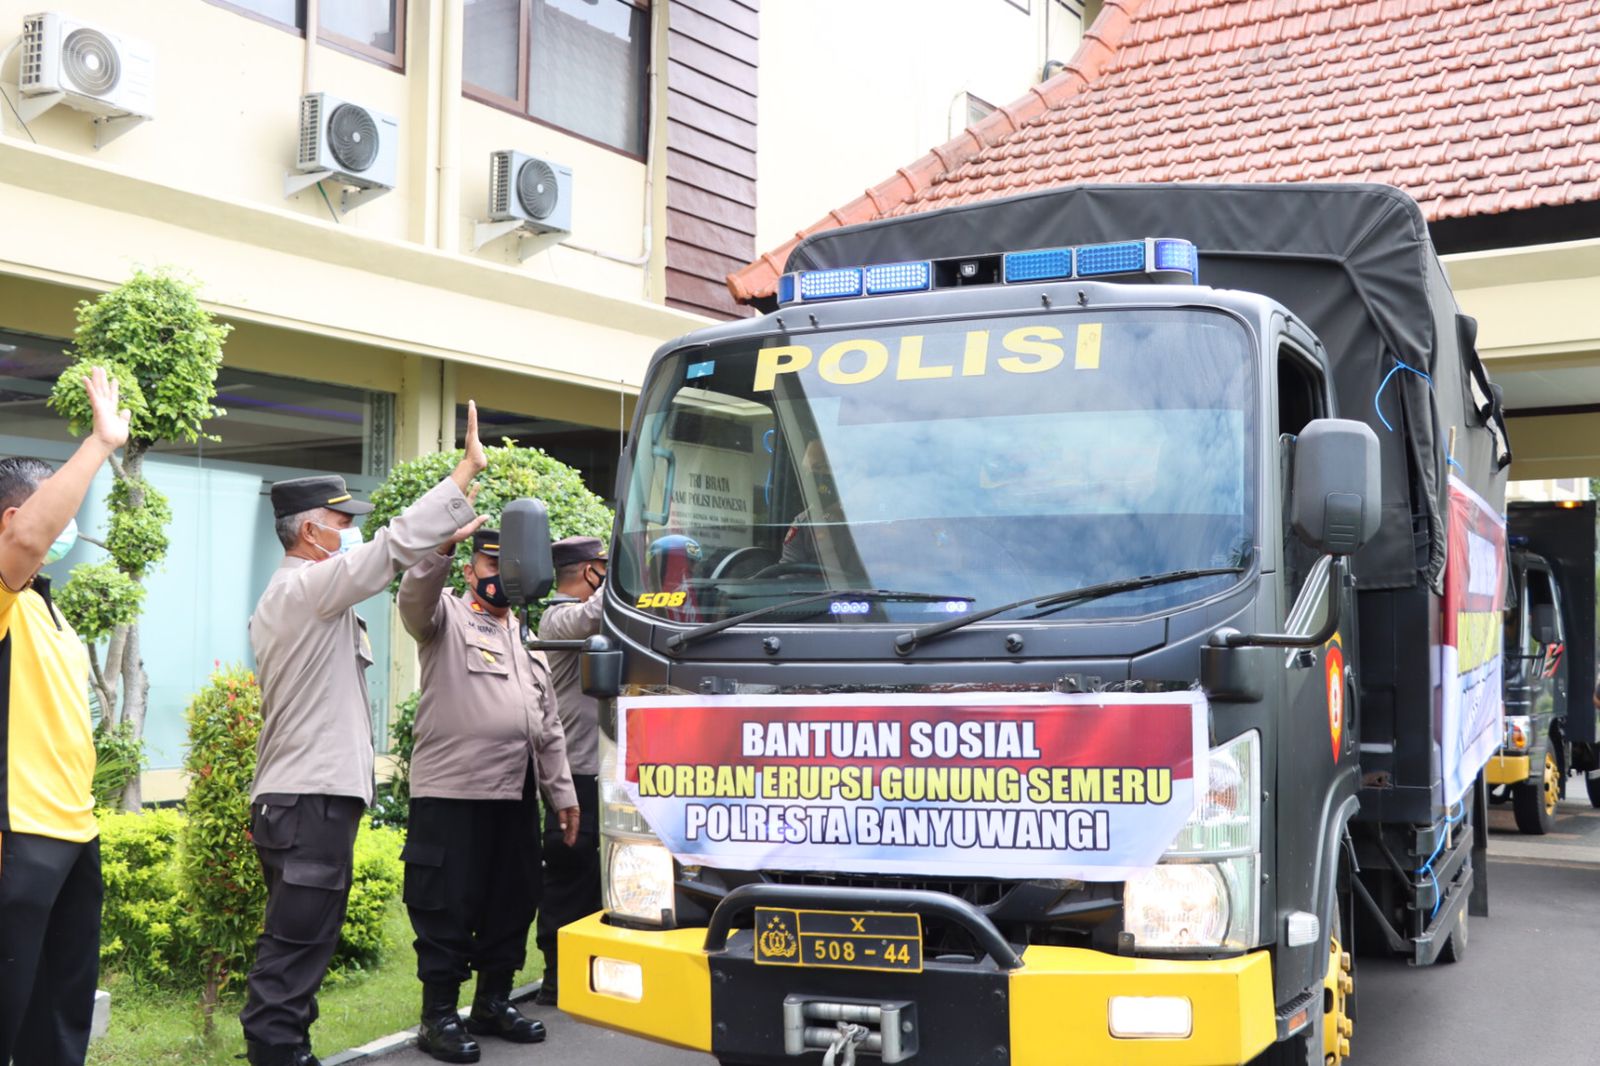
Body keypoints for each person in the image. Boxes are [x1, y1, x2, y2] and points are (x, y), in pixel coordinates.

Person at [240, 404, 488, 1066]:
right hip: (308, 804)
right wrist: (463, 472)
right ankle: (279, 1055)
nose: (353, 534)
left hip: (303, 802)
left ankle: (292, 1051)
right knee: (293, 954)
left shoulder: (310, 595)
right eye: (344, 524)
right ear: (311, 532)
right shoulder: (306, 589)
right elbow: (387, 552)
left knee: (304, 945)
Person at [397, 526, 579, 1064]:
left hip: (515, 793)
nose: (499, 576)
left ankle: (493, 1003)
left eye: (510, 568)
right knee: (447, 906)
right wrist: (442, 546)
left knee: (514, 900)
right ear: (471, 569)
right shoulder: (445, 617)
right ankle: (438, 1017)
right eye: (489, 564)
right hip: (454, 793)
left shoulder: (525, 638)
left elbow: (547, 728)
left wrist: (562, 795)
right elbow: (414, 597)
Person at [0, 369, 129, 1066]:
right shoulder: (6, 593)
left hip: (73, 832)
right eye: (49, 511)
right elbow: (21, 548)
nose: (65, 527)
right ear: (12, 521)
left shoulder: (50, 607)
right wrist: (100, 443)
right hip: (17, 837)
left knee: (58, 1019)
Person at [533, 535, 609, 1006]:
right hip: (573, 772)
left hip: (599, 769)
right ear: (589, 573)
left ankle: (594, 971)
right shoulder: (557, 618)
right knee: (569, 873)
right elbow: (593, 614)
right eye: (603, 568)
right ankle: (556, 976)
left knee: (601, 876)